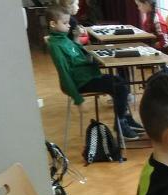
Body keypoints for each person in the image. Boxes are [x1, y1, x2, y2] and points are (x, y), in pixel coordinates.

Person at [45, 6, 143, 140]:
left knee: (120, 82)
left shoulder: (63, 38)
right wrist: (78, 100)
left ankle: (125, 118)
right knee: (119, 87)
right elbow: (64, 74)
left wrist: (76, 37)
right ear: (53, 24)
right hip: (81, 82)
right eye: (65, 23)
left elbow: (77, 54)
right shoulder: (55, 45)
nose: (69, 25)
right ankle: (120, 124)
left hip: (88, 76)